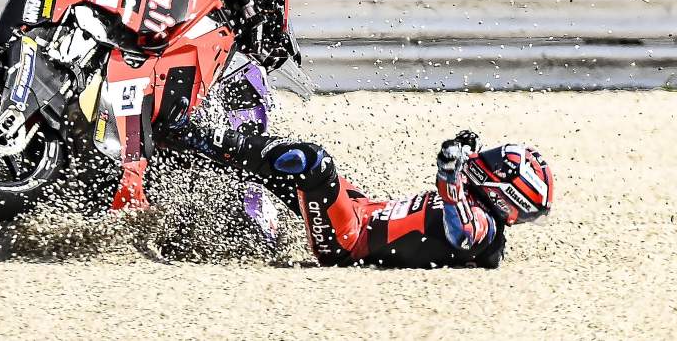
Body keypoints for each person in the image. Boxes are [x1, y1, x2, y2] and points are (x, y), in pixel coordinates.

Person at [161, 120, 553, 268]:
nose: (486, 160)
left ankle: (185, 132)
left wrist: (449, 175)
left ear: (506, 193)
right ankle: (188, 160)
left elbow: (461, 231)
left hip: (351, 241)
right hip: (361, 210)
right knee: (278, 158)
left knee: (314, 163)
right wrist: (463, 159)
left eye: (496, 163)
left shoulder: (484, 229)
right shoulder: (477, 200)